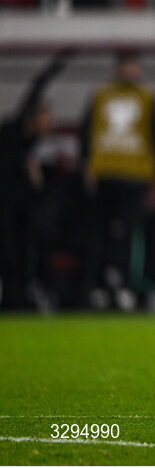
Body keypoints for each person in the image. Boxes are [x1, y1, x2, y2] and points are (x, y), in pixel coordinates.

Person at [79, 50, 155, 311]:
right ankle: (98, 286)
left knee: (131, 236)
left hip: (136, 174)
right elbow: (86, 132)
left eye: (134, 65)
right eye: (126, 65)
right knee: (99, 234)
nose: (131, 70)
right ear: (118, 67)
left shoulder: (148, 97)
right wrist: (87, 165)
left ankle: (128, 287)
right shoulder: (100, 95)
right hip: (105, 171)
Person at [0, 51, 67, 310]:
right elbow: (33, 93)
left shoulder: (31, 143)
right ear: (35, 117)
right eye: (46, 117)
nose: (49, 123)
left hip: (14, 204)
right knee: (8, 250)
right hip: (4, 203)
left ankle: (17, 298)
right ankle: (13, 297)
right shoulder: (15, 130)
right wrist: (54, 68)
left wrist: (34, 178)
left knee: (20, 249)